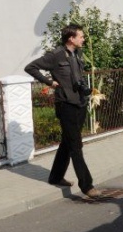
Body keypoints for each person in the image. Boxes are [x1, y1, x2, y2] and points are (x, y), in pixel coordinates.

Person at [24, 24, 101, 199]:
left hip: (79, 102)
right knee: (75, 145)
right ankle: (87, 185)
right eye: (80, 36)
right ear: (71, 38)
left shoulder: (77, 53)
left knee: (68, 141)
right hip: (65, 104)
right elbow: (30, 67)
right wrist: (49, 82)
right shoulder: (56, 55)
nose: (83, 38)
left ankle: (56, 176)